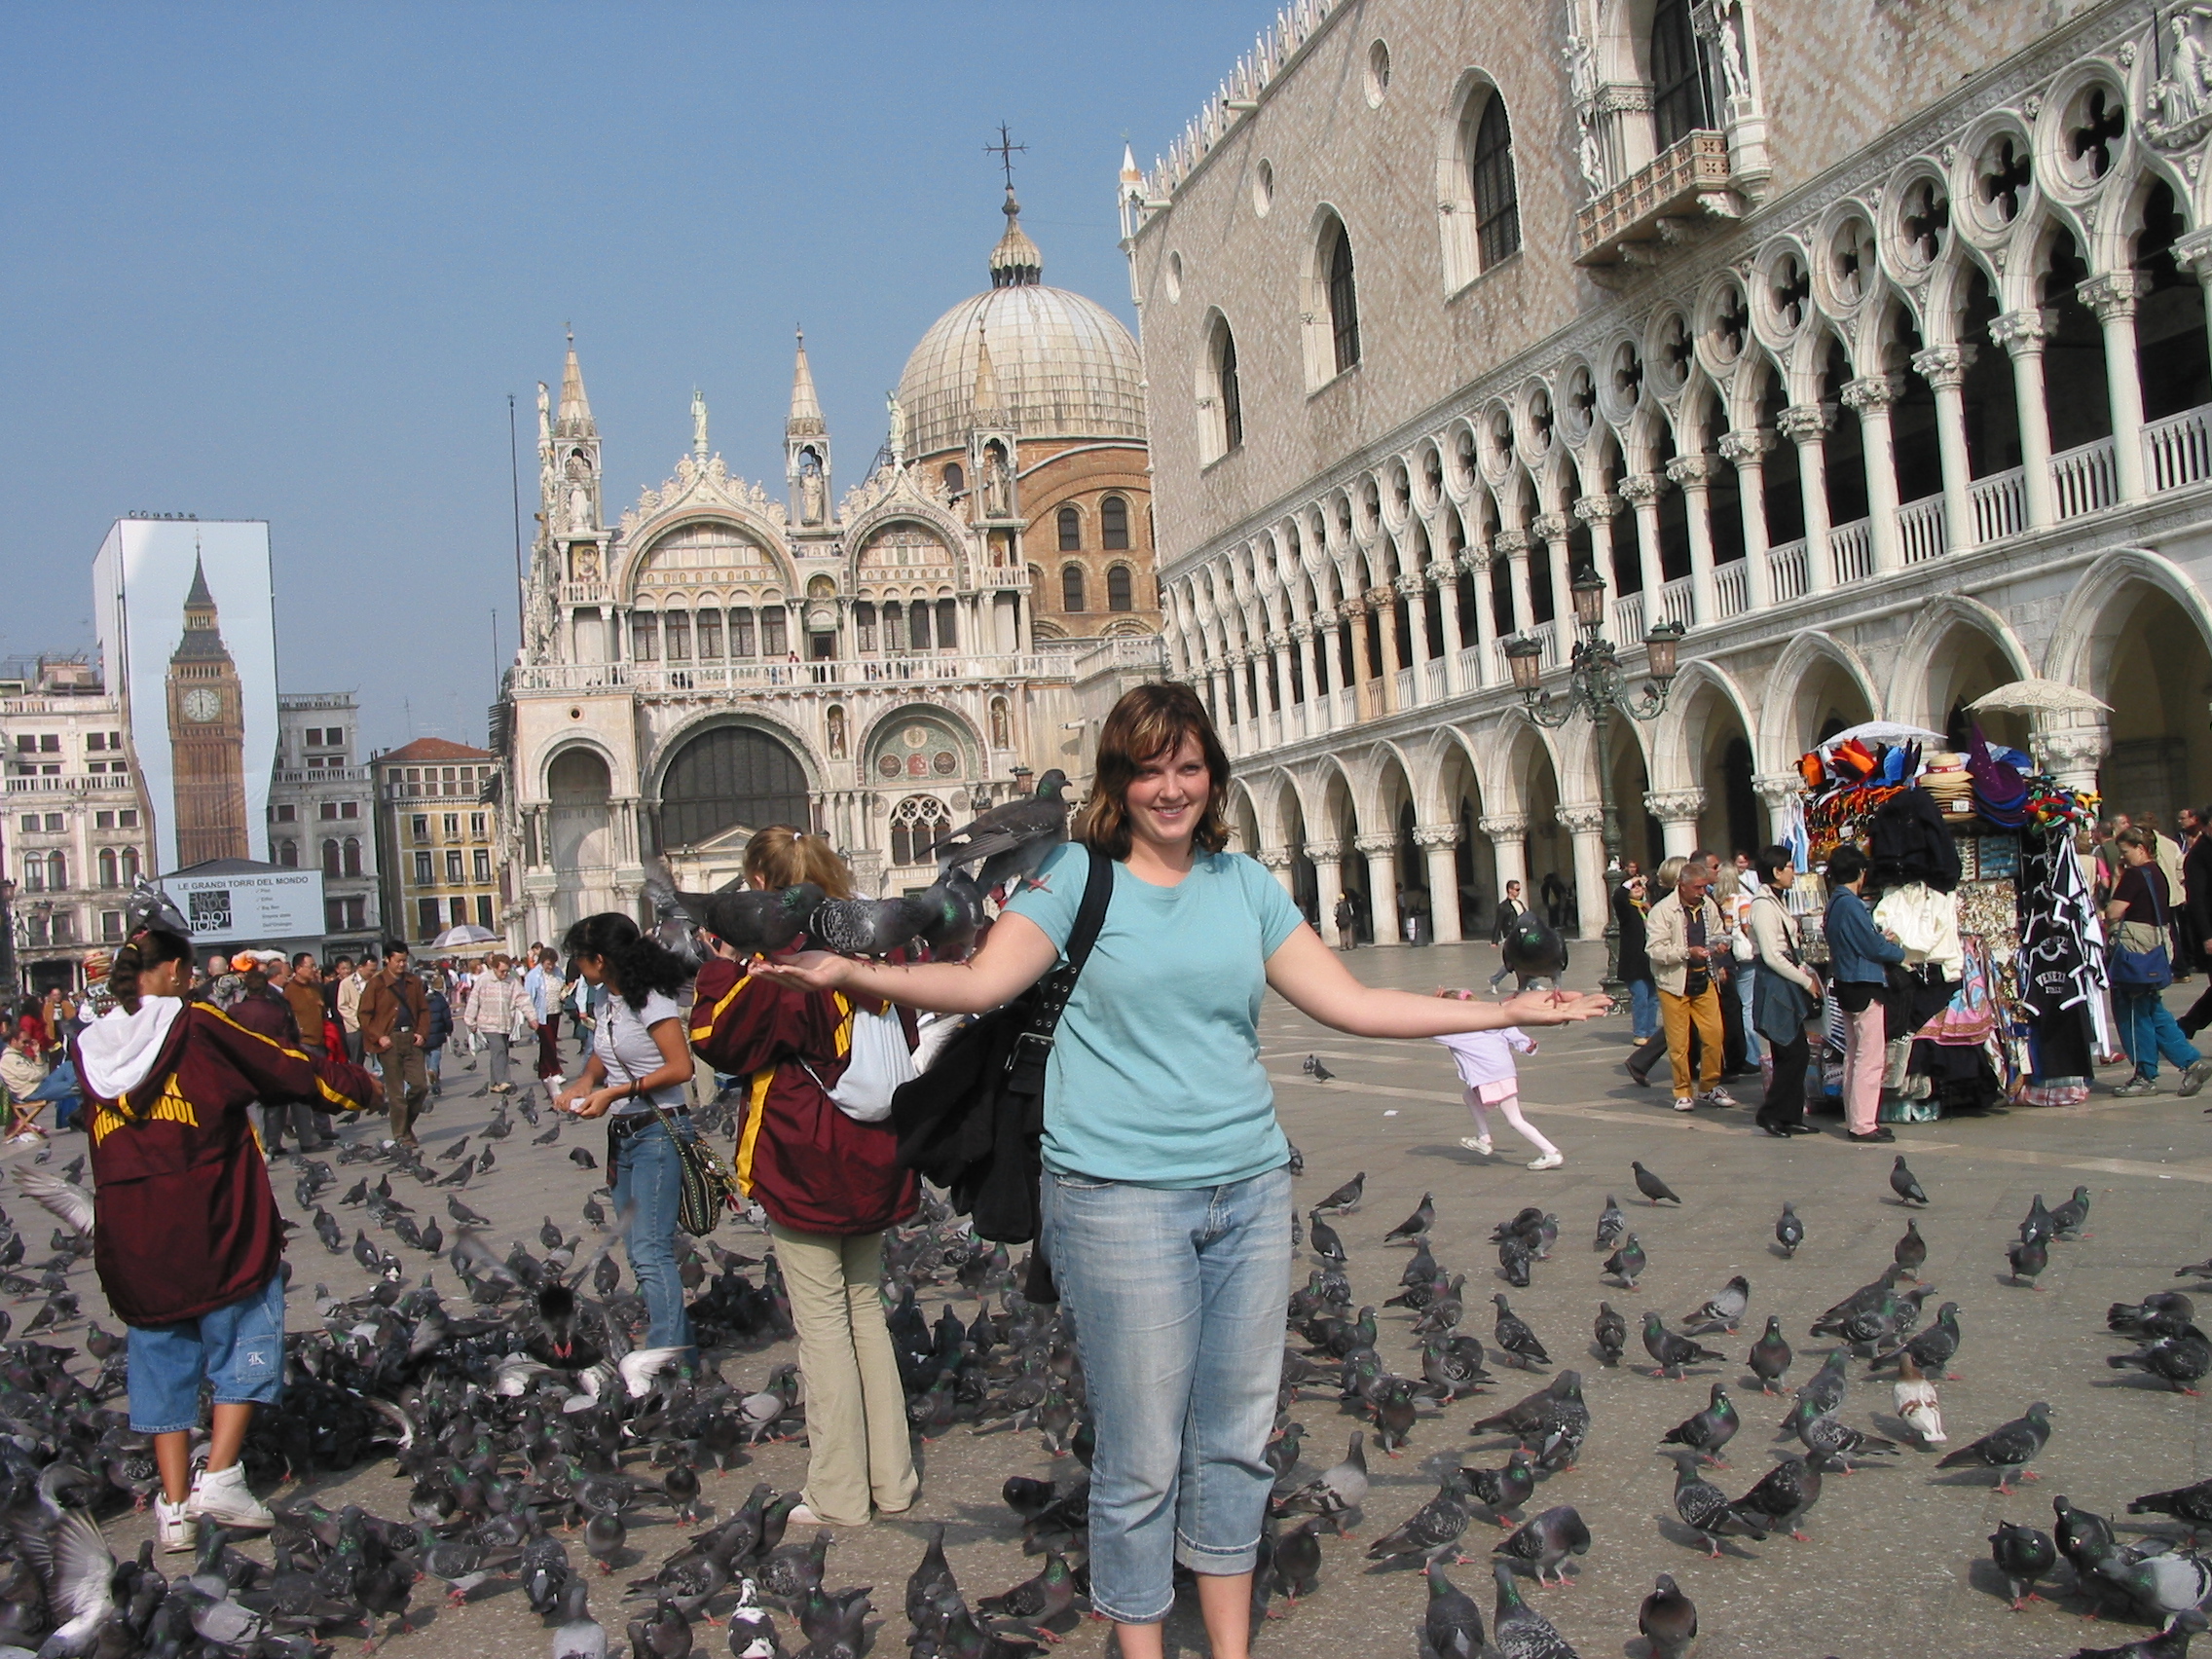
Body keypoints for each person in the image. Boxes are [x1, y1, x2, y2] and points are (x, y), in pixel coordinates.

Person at [750, 682, 1607, 1658]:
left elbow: (1353, 1004)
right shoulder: (1079, 875)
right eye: (1148, 768)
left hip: (1244, 1191)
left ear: (1213, 775)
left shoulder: (1243, 886)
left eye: (1187, 766)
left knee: (1237, 1445)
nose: (1170, 788)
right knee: (1143, 1455)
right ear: (1119, 780)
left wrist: (1504, 1013)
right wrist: (852, 972)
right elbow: (981, 982)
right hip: (1115, 1200)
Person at [71, 926, 377, 1552]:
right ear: (180, 974)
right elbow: (281, 1067)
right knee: (243, 1326)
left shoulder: (88, 1048)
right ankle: (222, 1477)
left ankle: (175, 1506)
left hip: (132, 1234)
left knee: (159, 1354)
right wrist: (358, 1088)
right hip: (210, 1216)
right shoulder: (198, 1027)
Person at [690, 826, 921, 1529]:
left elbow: (715, 1038)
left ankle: (839, 1492)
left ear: (761, 887)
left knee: (821, 1324)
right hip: (876, 1154)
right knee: (865, 1315)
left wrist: (722, 964)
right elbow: (907, 1033)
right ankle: (894, 1480)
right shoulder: (871, 949)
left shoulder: (784, 965)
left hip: (805, 1158)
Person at [552, 913, 698, 1358]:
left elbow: (681, 1068)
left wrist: (615, 1091)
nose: (576, 968)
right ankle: (672, 1343)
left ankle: (668, 1356)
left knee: (653, 1252)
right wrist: (584, 1083)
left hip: (659, 1131)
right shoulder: (604, 998)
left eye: (579, 959)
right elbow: (604, 1054)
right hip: (625, 1133)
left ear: (599, 959)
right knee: (635, 1250)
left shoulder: (650, 1001)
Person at [2104, 826, 2212, 1098]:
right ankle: (2192, 1062)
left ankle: (2145, 1074)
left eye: (2126, 851)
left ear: (2140, 849)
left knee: (2132, 1013)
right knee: (2154, 1011)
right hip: (2156, 947)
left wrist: (2117, 879)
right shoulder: (2157, 873)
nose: (2123, 857)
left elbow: (2114, 911)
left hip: (2134, 952)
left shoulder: (2133, 875)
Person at [1824, 843, 1905, 1142]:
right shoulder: (1852, 905)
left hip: (1847, 982)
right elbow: (1872, 947)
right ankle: (1863, 1123)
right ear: (1860, 873)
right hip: (1863, 983)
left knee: (1855, 1054)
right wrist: (1896, 950)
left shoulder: (1835, 902)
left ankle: (1857, 1117)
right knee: (1869, 1056)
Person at [1645, 856, 1736, 1112]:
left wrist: (1720, 947)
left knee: (1714, 1035)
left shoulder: (1708, 905)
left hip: (1704, 978)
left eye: (1704, 886)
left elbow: (1718, 931)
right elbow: (1655, 950)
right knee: (1679, 1043)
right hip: (1674, 983)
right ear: (1682, 886)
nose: (1702, 892)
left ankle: (1709, 1086)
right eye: (1697, 887)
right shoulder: (1663, 911)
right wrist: (1687, 952)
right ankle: (1683, 1090)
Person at [1434, 995, 1562, 1169]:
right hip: (1505, 1072)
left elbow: (1428, 1029)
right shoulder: (1493, 1022)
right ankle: (1483, 1138)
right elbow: (1513, 1032)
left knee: (1515, 1120)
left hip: (1489, 1076)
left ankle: (1550, 1152)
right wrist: (1527, 1045)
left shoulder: (1457, 1033)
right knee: (1469, 1096)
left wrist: (1433, 1006)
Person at [1746, 845, 1822, 1137]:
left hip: (1786, 977)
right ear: (1776, 872)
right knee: (1791, 1051)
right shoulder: (1763, 905)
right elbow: (1772, 955)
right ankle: (1772, 1113)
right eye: (1789, 866)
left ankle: (1789, 1114)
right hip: (1775, 982)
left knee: (1794, 1051)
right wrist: (1805, 981)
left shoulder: (1776, 900)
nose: (1793, 871)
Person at [227, 950, 327, 1156]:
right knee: (288, 1100)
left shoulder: (236, 1011)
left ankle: (264, 1145)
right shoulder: (276, 1011)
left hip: (246, 1064)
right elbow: (289, 1035)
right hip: (275, 1061)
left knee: (257, 1107)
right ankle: (299, 1140)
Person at [357, 943, 430, 1146]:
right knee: (396, 1092)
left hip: (411, 1038)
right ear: (387, 960)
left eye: (404, 960)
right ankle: (401, 1135)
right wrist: (378, 1036)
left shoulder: (413, 982)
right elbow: (364, 1015)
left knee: (420, 1086)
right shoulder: (377, 983)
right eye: (397, 960)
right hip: (389, 1041)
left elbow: (424, 1010)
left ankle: (405, 1125)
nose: (401, 964)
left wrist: (422, 1032)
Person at [468, 952, 521, 1093]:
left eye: (507, 971)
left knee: (500, 1049)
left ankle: (494, 1083)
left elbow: (523, 999)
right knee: (499, 1048)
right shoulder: (483, 981)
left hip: (505, 1023)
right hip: (488, 1023)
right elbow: (474, 1000)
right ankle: (503, 1080)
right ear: (494, 969)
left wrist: (532, 1017)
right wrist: (470, 1021)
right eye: (502, 971)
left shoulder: (512, 982)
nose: (505, 974)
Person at [1613, 873, 1657, 1042]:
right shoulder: (1627, 909)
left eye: (1640, 886)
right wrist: (1630, 881)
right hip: (1633, 962)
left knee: (1653, 998)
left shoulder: (1646, 908)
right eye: (1634, 887)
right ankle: (1640, 1032)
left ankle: (1651, 1031)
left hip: (1648, 960)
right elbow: (1618, 897)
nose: (1638, 888)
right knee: (1641, 997)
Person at [2, 1017, 52, 1142]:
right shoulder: (10, 1058)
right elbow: (34, 1075)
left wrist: (37, 1054)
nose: (27, 1045)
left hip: (38, 1086)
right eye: (24, 1042)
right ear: (14, 1041)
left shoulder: (21, 1055)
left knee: (70, 1075)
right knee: (71, 1078)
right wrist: (39, 1072)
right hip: (30, 1092)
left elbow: (42, 1073)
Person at [1488, 878, 1525, 991]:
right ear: (1510, 890)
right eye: (1516, 889)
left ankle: (1495, 979)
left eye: (1519, 889)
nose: (1519, 892)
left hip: (1522, 935)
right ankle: (1531, 984)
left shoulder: (1519, 903)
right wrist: (1495, 941)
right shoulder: (1503, 907)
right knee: (1517, 961)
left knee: (1517, 962)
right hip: (1511, 936)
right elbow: (1498, 924)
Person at [423, 975, 453, 1097]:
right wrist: (449, 1028)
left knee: (426, 1053)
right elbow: (446, 1014)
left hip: (422, 1032)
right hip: (437, 1030)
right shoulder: (438, 997)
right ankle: (433, 1071)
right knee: (435, 1052)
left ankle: (431, 1072)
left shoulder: (414, 998)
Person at [332, 956, 366, 1066]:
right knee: (351, 1058)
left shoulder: (363, 981)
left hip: (363, 1025)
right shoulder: (334, 986)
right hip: (344, 1025)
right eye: (343, 968)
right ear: (337, 970)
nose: (346, 971)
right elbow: (341, 1006)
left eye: (348, 968)